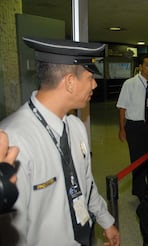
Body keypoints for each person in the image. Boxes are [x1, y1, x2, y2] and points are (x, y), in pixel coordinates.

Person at [0, 37, 120, 245]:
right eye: (90, 77)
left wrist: (105, 220)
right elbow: (12, 231)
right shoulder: (13, 141)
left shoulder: (75, 126)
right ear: (70, 82)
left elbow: (85, 183)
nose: (94, 84)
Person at [116, 54, 148, 200]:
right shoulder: (130, 84)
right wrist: (122, 129)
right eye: (147, 64)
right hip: (134, 126)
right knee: (137, 158)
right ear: (140, 67)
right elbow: (122, 107)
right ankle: (139, 190)